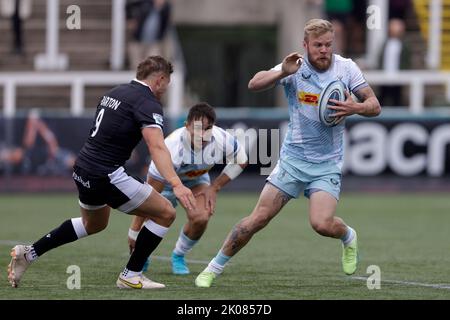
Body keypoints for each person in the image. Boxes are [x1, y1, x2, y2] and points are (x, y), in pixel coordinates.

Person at [195, 19, 381, 287]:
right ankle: (213, 268)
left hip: (327, 164)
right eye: (318, 45)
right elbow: (254, 84)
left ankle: (348, 236)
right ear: (305, 45)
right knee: (257, 219)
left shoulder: (347, 68)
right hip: (292, 161)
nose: (324, 50)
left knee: (321, 224)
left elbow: (375, 105)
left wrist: (357, 108)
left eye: (328, 44)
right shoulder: (295, 67)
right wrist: (281, 72)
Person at [7, 55, 197, 290]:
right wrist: (176, 184)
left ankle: (29, 253)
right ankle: (131, 275)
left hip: (83, 168)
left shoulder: (114, 92)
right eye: (166, 84)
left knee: (93, 224)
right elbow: (156, 146)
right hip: (105, 174)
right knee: (166, 212)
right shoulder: (147, 102)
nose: (165, 90)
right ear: (159, 80)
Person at [127, 103, 248, 275]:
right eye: (197, 129)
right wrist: (133, 232)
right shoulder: (171, 147)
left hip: (196, 180)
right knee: (154, 215)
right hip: (166, 182)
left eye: (207, 129)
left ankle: (178, 255)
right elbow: (148, 196)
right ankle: (142, 254)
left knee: (201, 217)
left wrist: (214, 187)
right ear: (186, 126)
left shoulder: (222, 138)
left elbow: (241, 159)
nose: (202, 135)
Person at [126, 0, 172, 70]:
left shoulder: (166, 7)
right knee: (136, 66)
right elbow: (128, 6)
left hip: (154, 42)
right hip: (138, 40)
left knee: (152, 66)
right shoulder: (145, 3)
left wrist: (161, 37)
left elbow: (165, 24)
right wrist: (130, 19)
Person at [377, 18, 411, 107]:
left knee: (397, 98)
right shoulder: (385, 44)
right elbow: (381, 58)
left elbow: (406, 61)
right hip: (384, 75)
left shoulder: (405, 45)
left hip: (398, 75)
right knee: (382, 97)